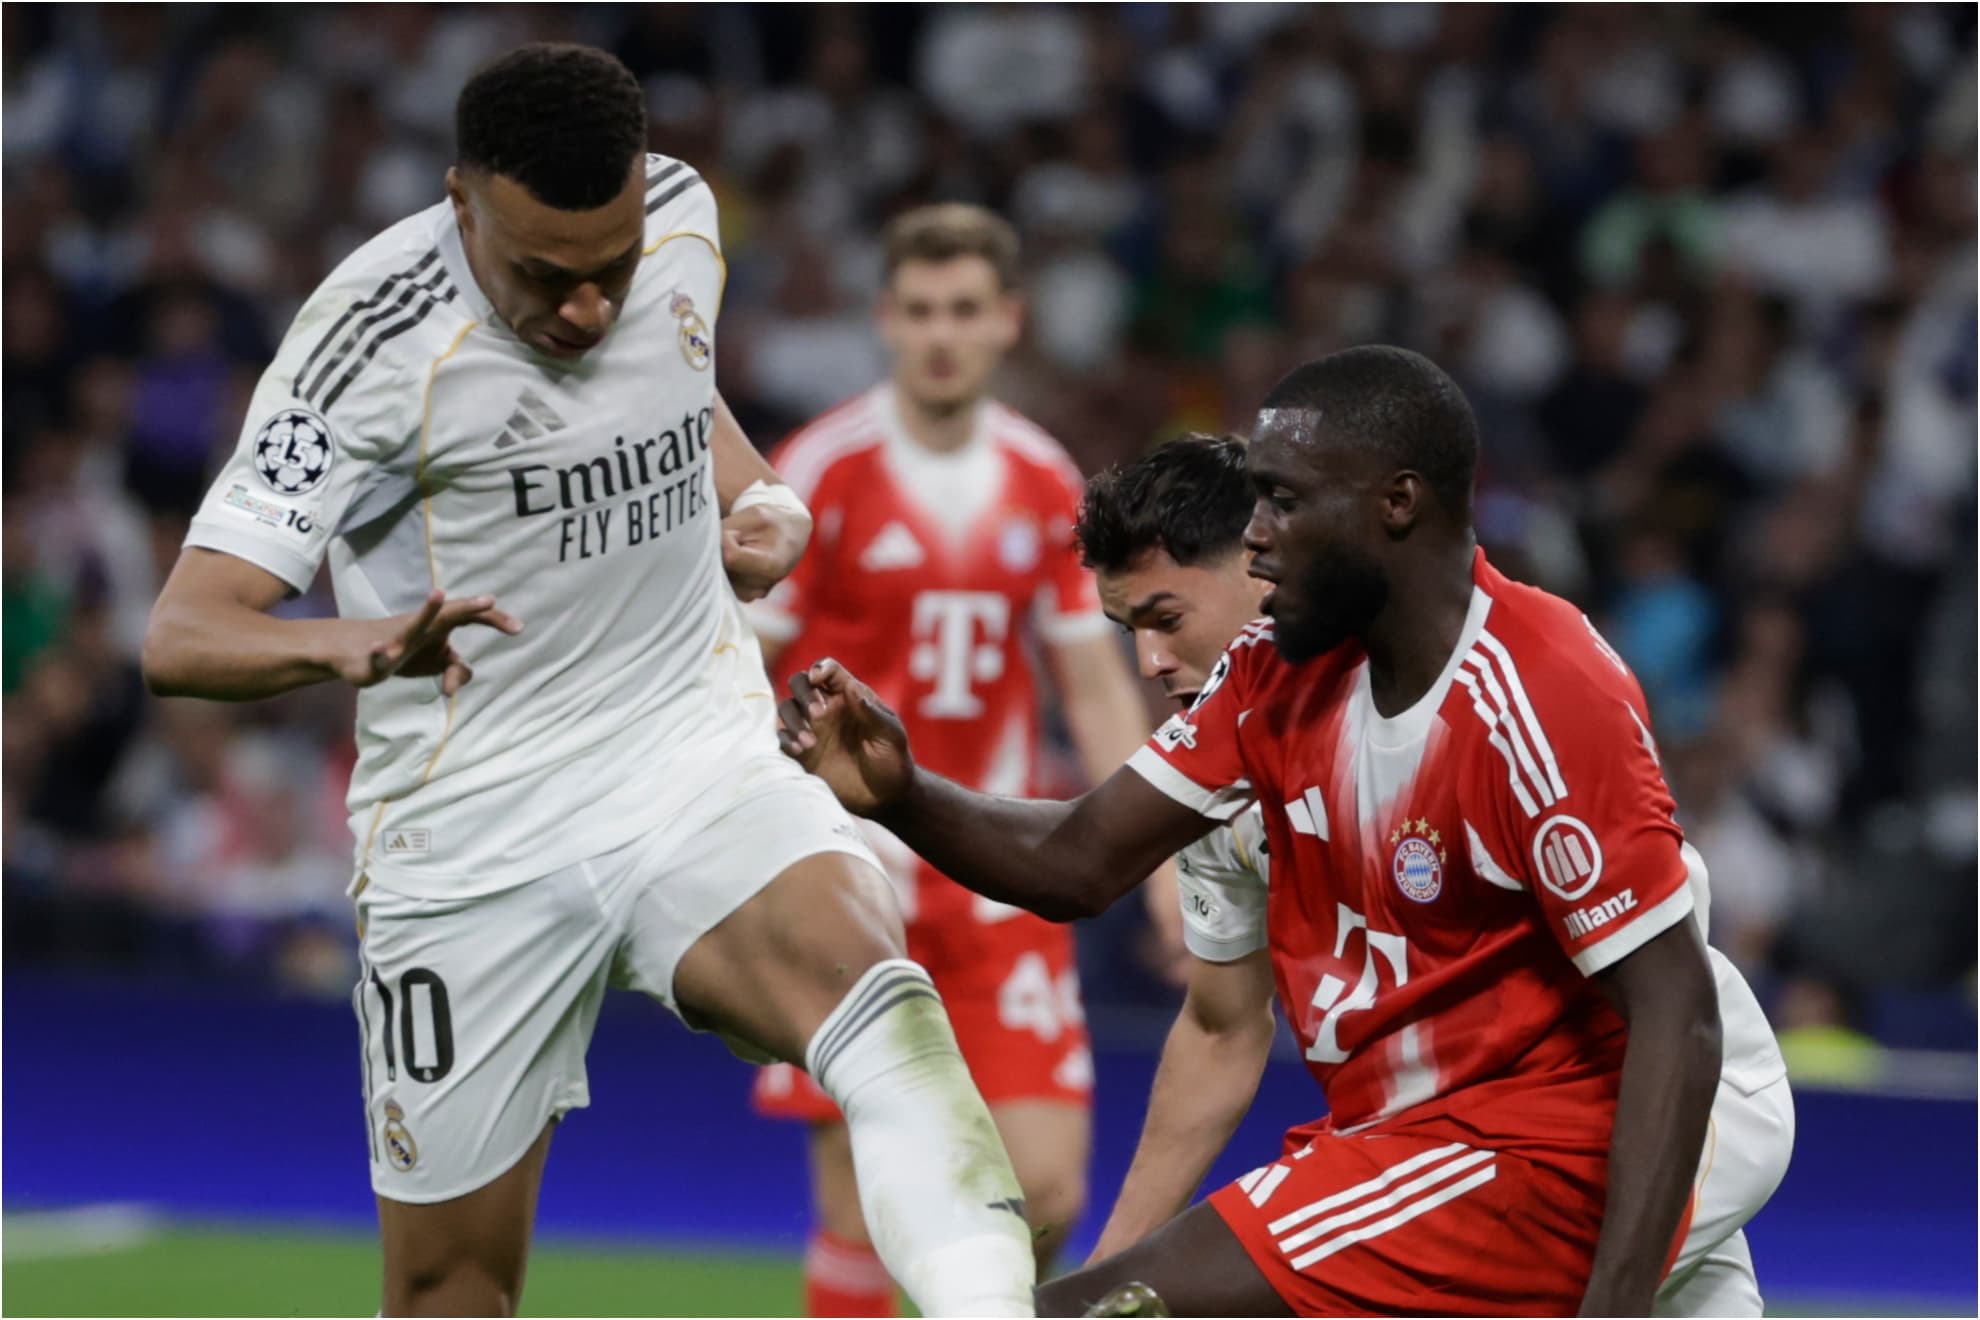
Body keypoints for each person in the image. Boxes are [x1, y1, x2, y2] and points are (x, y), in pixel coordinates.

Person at [142, 44, 1035, 1318]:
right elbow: (185, 634)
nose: (587, 312)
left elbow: (677, 382)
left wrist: (762, 495)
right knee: (453, 1291)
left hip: (688, 756)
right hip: (468, 837)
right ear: (461, 203)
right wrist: (356, 642)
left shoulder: (678, 214)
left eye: (609, 273)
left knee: (886, 1020)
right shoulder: (364, 345)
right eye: (545, 280)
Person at [776, 347, 1788, 1317]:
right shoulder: (1268, 680)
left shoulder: (1535, 688)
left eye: (1286, 502)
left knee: (1101, 1312)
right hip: (1428, 1127)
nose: (1255, 535)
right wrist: (901, 794)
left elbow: (1676, 1015)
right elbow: (1079, 862)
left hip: (1593, 1118)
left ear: (1398, 504)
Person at [1071, 432, 1794, 1315]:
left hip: (1628, 1113)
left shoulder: (1462, 685)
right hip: (1458, 1134)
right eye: (1129, 630)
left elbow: (1662, 984)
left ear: (1262, 562)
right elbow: (1222, 1030)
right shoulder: (1214, 771)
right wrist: (1110, 1269)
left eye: (1167, 618)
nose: (1148, 661)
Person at [746, 202, 1175, 1315]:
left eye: (967, 311)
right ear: (887, 319)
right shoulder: (820, 470)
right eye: (923, 309)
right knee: (860, 1207)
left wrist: (1165, 867)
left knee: (1043, 1190)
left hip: (995, 878)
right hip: (848, 880)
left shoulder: (1044, 482)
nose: (943, 333)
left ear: (1008, 323)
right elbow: (745, 666)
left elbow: (1091, 682)